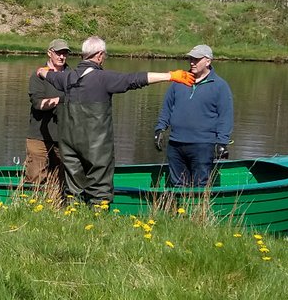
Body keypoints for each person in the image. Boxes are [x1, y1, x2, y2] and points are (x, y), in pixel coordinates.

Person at [36, 35, 191, 204]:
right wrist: (169, 75)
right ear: (100, 55)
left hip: (69, 144)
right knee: (100, 186)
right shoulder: (103, 78)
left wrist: (42, 72)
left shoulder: (67, 78)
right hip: (96, 145)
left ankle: (74, 216)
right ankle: (98, 215)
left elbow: (48, 76)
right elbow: (134, 79)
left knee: (74, 187)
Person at [154, 43, 233, 186]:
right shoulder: (180, 81)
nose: (192, 62)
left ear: (208, 61)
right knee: (178, 185)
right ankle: (178, 208)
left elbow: (225, 116)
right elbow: (167, 107)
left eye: (196, 59)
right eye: (190, 58)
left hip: (203, 145)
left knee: (200, 185)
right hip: (176, 143)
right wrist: (160, 129)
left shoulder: (220, 86)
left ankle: (199, 209)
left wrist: (222, 142)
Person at [24, 38, 70, 201]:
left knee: (61, 179)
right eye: (58, 53)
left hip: (65, 138)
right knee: (35, 177)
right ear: (49, 53)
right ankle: (30, 208)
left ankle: (56, 210)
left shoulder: (72, 77)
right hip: (39, 137)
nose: (62, 56)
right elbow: (37, 103)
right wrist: (60, 101)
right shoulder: (38, 76)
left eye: (64, 53)